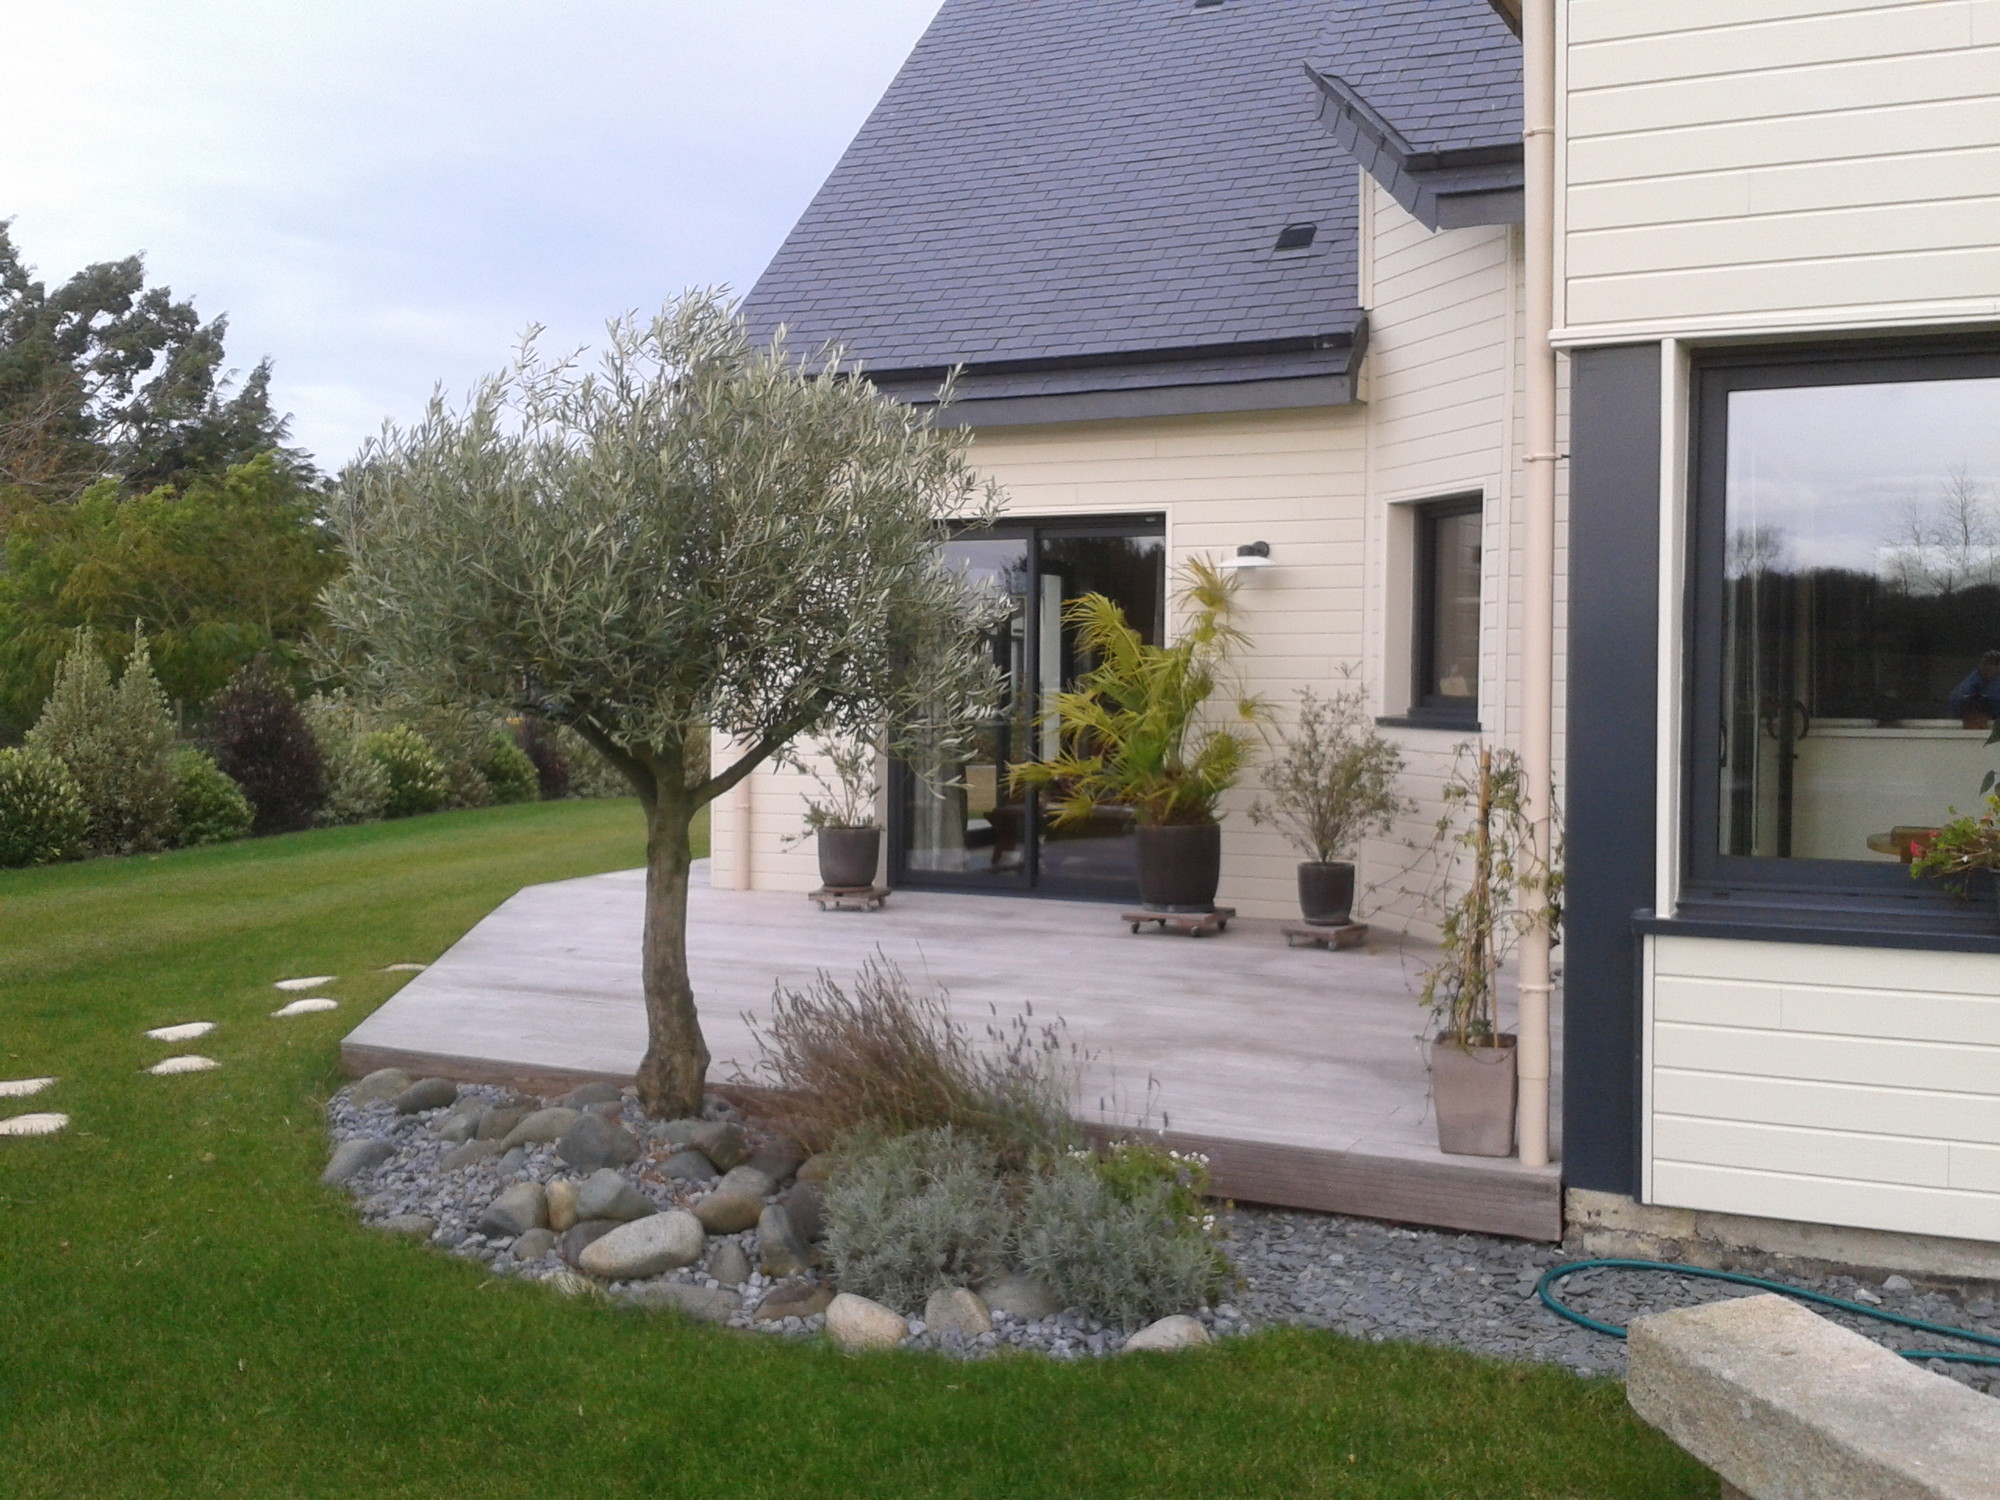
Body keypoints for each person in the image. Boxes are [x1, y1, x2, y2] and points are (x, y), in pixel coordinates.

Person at [1948, 650, 2000, 729]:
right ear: (1981, 665)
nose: (1991, 667)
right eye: (1987, 664)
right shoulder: (1968, 685)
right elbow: (1956, 700)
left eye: (1996, 664)